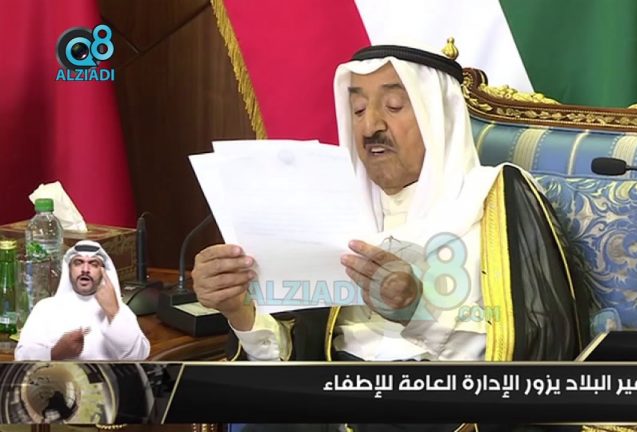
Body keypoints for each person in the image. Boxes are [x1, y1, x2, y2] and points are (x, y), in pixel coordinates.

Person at [192, 41, 586, 430]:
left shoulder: (499, 196)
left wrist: (417, 311)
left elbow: (541, 351)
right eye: (358, 110)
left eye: (394, 106)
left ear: (439, 118)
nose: (370, 127)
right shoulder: (334, 210)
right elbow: (297, 361)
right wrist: (240, 311)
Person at [15, 240, 150, 361]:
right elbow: (22, 356)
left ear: (103, 271)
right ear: (69, 269)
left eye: (93, 264)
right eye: (78, 263)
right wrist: (55, 353)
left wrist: (113, 313)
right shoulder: (46, 308)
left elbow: (138, 356)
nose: (85, 270)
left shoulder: (120, 311)